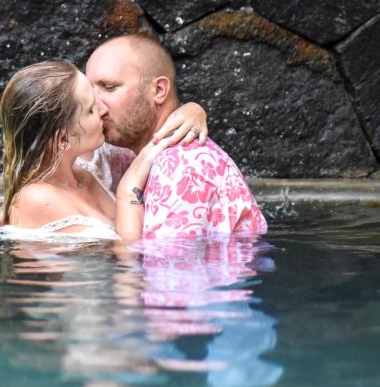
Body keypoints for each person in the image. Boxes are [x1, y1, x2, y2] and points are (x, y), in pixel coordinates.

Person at [0, 59, 207, 240]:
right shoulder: (34, 198)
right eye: (92, 109)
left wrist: (192, 110)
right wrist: (128, 189)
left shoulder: (83, 173)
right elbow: (129, 253)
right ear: (63, 139)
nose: (103, 110)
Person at [86, 34, 267, 239]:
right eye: (89, 90)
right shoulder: (126, 152)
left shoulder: (184, 169)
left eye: (109, 87)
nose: (93, 104)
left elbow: (166, 268)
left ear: (159, 90)